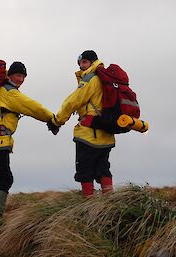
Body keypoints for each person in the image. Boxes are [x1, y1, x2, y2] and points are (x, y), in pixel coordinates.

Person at [0, 61, 54, 217]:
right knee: (4, 179)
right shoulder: (9, 92)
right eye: (18, 75)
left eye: (23, 76)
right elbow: (33, 107)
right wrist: (52, 119)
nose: (21, 79)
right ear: (9, 75)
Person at [48, 50, 115, 197]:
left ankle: (88, 203)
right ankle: (110, 202)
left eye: (84, 62)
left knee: (85, 170)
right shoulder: (104, 79)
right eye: (80, 63)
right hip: (106, 134)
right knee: (103, 168)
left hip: (88, 135)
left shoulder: (90, 79)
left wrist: (57, 121)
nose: (81, 66)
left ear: (92, 62)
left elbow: (73, 101)